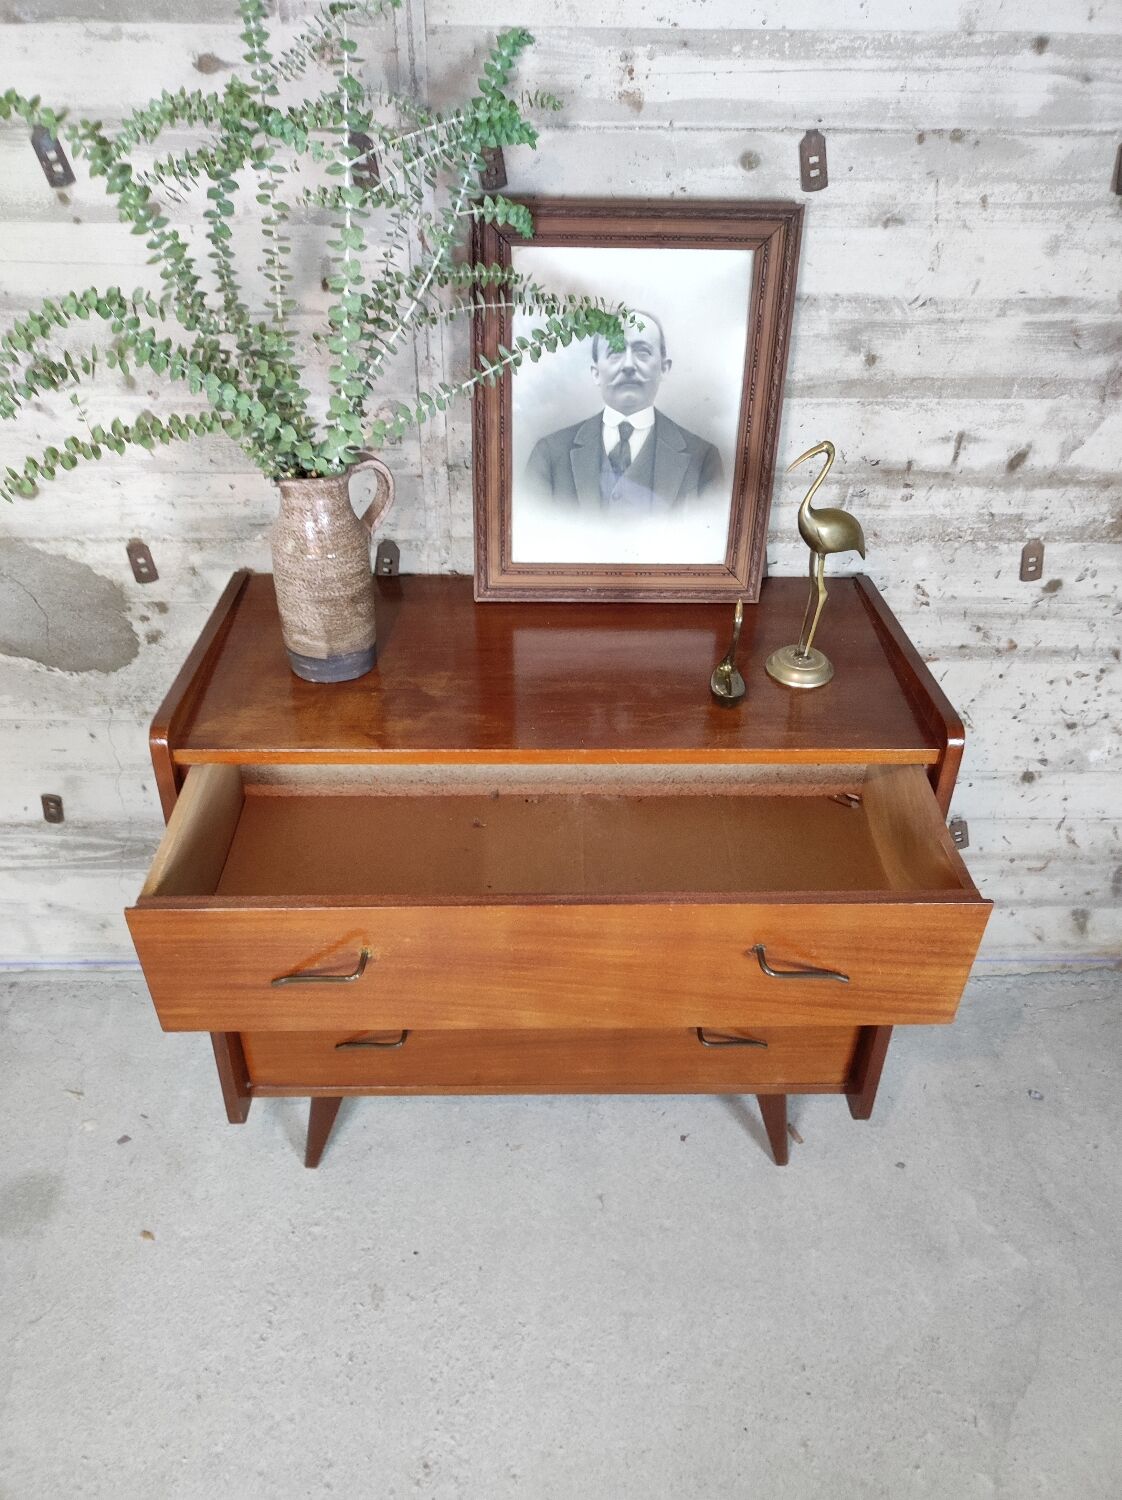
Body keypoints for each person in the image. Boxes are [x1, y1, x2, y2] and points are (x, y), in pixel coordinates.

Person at [523, 311, 723, 514]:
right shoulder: (549, 455)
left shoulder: (704, 460)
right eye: (615, 351)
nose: (628, 365)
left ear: (664, 368)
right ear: (596, 373)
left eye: (643, 353)